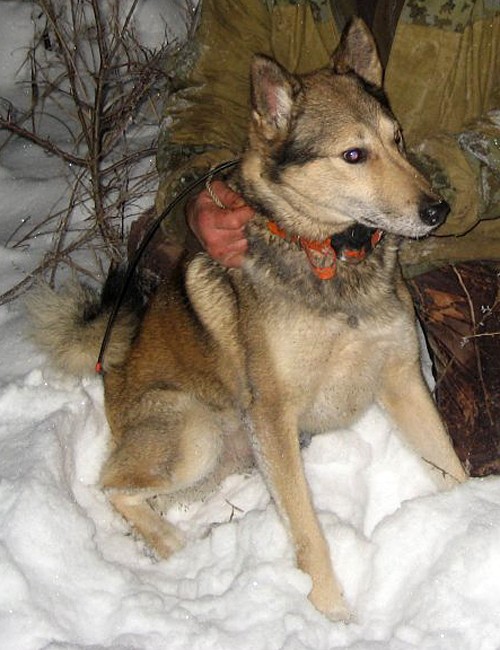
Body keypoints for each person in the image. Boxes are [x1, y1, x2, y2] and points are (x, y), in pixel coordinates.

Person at [130, 0, 500, 475]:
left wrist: (423, 185)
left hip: (458, 241)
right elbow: (206, 102)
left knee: (480, 453)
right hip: (289, 224)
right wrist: (199, 194)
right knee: (160, 274)